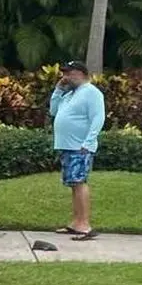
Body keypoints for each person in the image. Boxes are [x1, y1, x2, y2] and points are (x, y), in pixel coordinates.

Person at [49, 60, 105, 241]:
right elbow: (53, 111)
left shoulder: (91, 93)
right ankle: (76, 222)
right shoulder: (69, 94)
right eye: (64, 73)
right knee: (73, 183)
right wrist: (58, 90)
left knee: (79, 182)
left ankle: (84, 225)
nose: (65, 77)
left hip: (79, 146)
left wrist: (88, 142)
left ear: (80, 73)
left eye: (69, 73)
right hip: (67, 145)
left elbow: (98, 118)